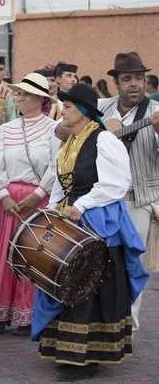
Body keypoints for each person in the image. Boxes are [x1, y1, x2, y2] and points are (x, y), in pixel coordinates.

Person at [33, 83, 148, 382]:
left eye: (68, 107)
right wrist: (52, 209)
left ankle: (88, 356)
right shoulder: (68, 143)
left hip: (98, 218)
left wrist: (82, 205)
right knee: (68, 281)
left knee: (91, 283)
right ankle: (68, 351)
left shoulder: (104, 140)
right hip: (72, 215)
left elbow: (116, 183)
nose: (63, 111)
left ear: (83, 111)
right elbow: (62, 182)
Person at [0, 73, 59, 336]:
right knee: (6, 256)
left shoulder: (52, 128)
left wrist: (38, 194)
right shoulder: (6, 129)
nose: (19, 97)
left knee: (32, 257)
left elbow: (55, 165)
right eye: (17, 93)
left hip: (38, 201)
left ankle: (27, 315)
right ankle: (2, 312)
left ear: (40, 98)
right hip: (9, 201)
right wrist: (4, 196)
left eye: (24, 94)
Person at [99, 52, 159, 331]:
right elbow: (67, 128)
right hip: (104, 200)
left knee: (132, 267)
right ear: (116, 83)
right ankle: (102, 323)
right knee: (102, 265)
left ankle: (127, 328)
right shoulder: (101, 109)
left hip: (137, 200)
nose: (134, 84)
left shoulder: (153, 113)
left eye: (139, 78)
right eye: (127, 79)